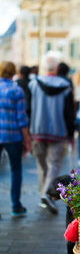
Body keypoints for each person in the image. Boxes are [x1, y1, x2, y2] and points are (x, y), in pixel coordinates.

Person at [29, 51, 75, 214]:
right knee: (54, 164)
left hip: (37, 130)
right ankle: (46, 195)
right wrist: (71, 135)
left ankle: (44, 195)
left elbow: (28, 108)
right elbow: (69, 113)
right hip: (57, 131)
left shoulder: (33, 83)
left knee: (42, 165)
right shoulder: (65, 86)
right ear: (56, 68)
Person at [0, 61, 31, 217]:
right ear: (13, 73)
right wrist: (27, 139)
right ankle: (16, 205)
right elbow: (21, 117)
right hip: (13, 135)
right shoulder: (16, 90)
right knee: (16, 170)